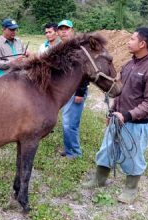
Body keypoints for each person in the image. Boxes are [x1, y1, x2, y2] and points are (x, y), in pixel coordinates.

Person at [83, 27, 148, 204]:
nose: (128, 41)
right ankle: (99, 178)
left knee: (133, 154)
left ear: (142, 44)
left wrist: (127, 115)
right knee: (107, 149)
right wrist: (112, 111)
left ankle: (130, 189)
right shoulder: (129, 64)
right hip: (118, 117)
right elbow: (120, 92)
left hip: (138, 122)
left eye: (132, 39)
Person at [57, 19, 89, 160]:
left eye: (66, 28)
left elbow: (86, 71)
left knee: (70, 123)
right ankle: (69, 148)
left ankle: (74, 153)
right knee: (67, 121)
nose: (64, 31)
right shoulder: (61, 47)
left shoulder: (78, 48)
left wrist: (80, 92)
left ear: (72, 30)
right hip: (65, 90)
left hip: (76, 90)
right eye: (61, 29)